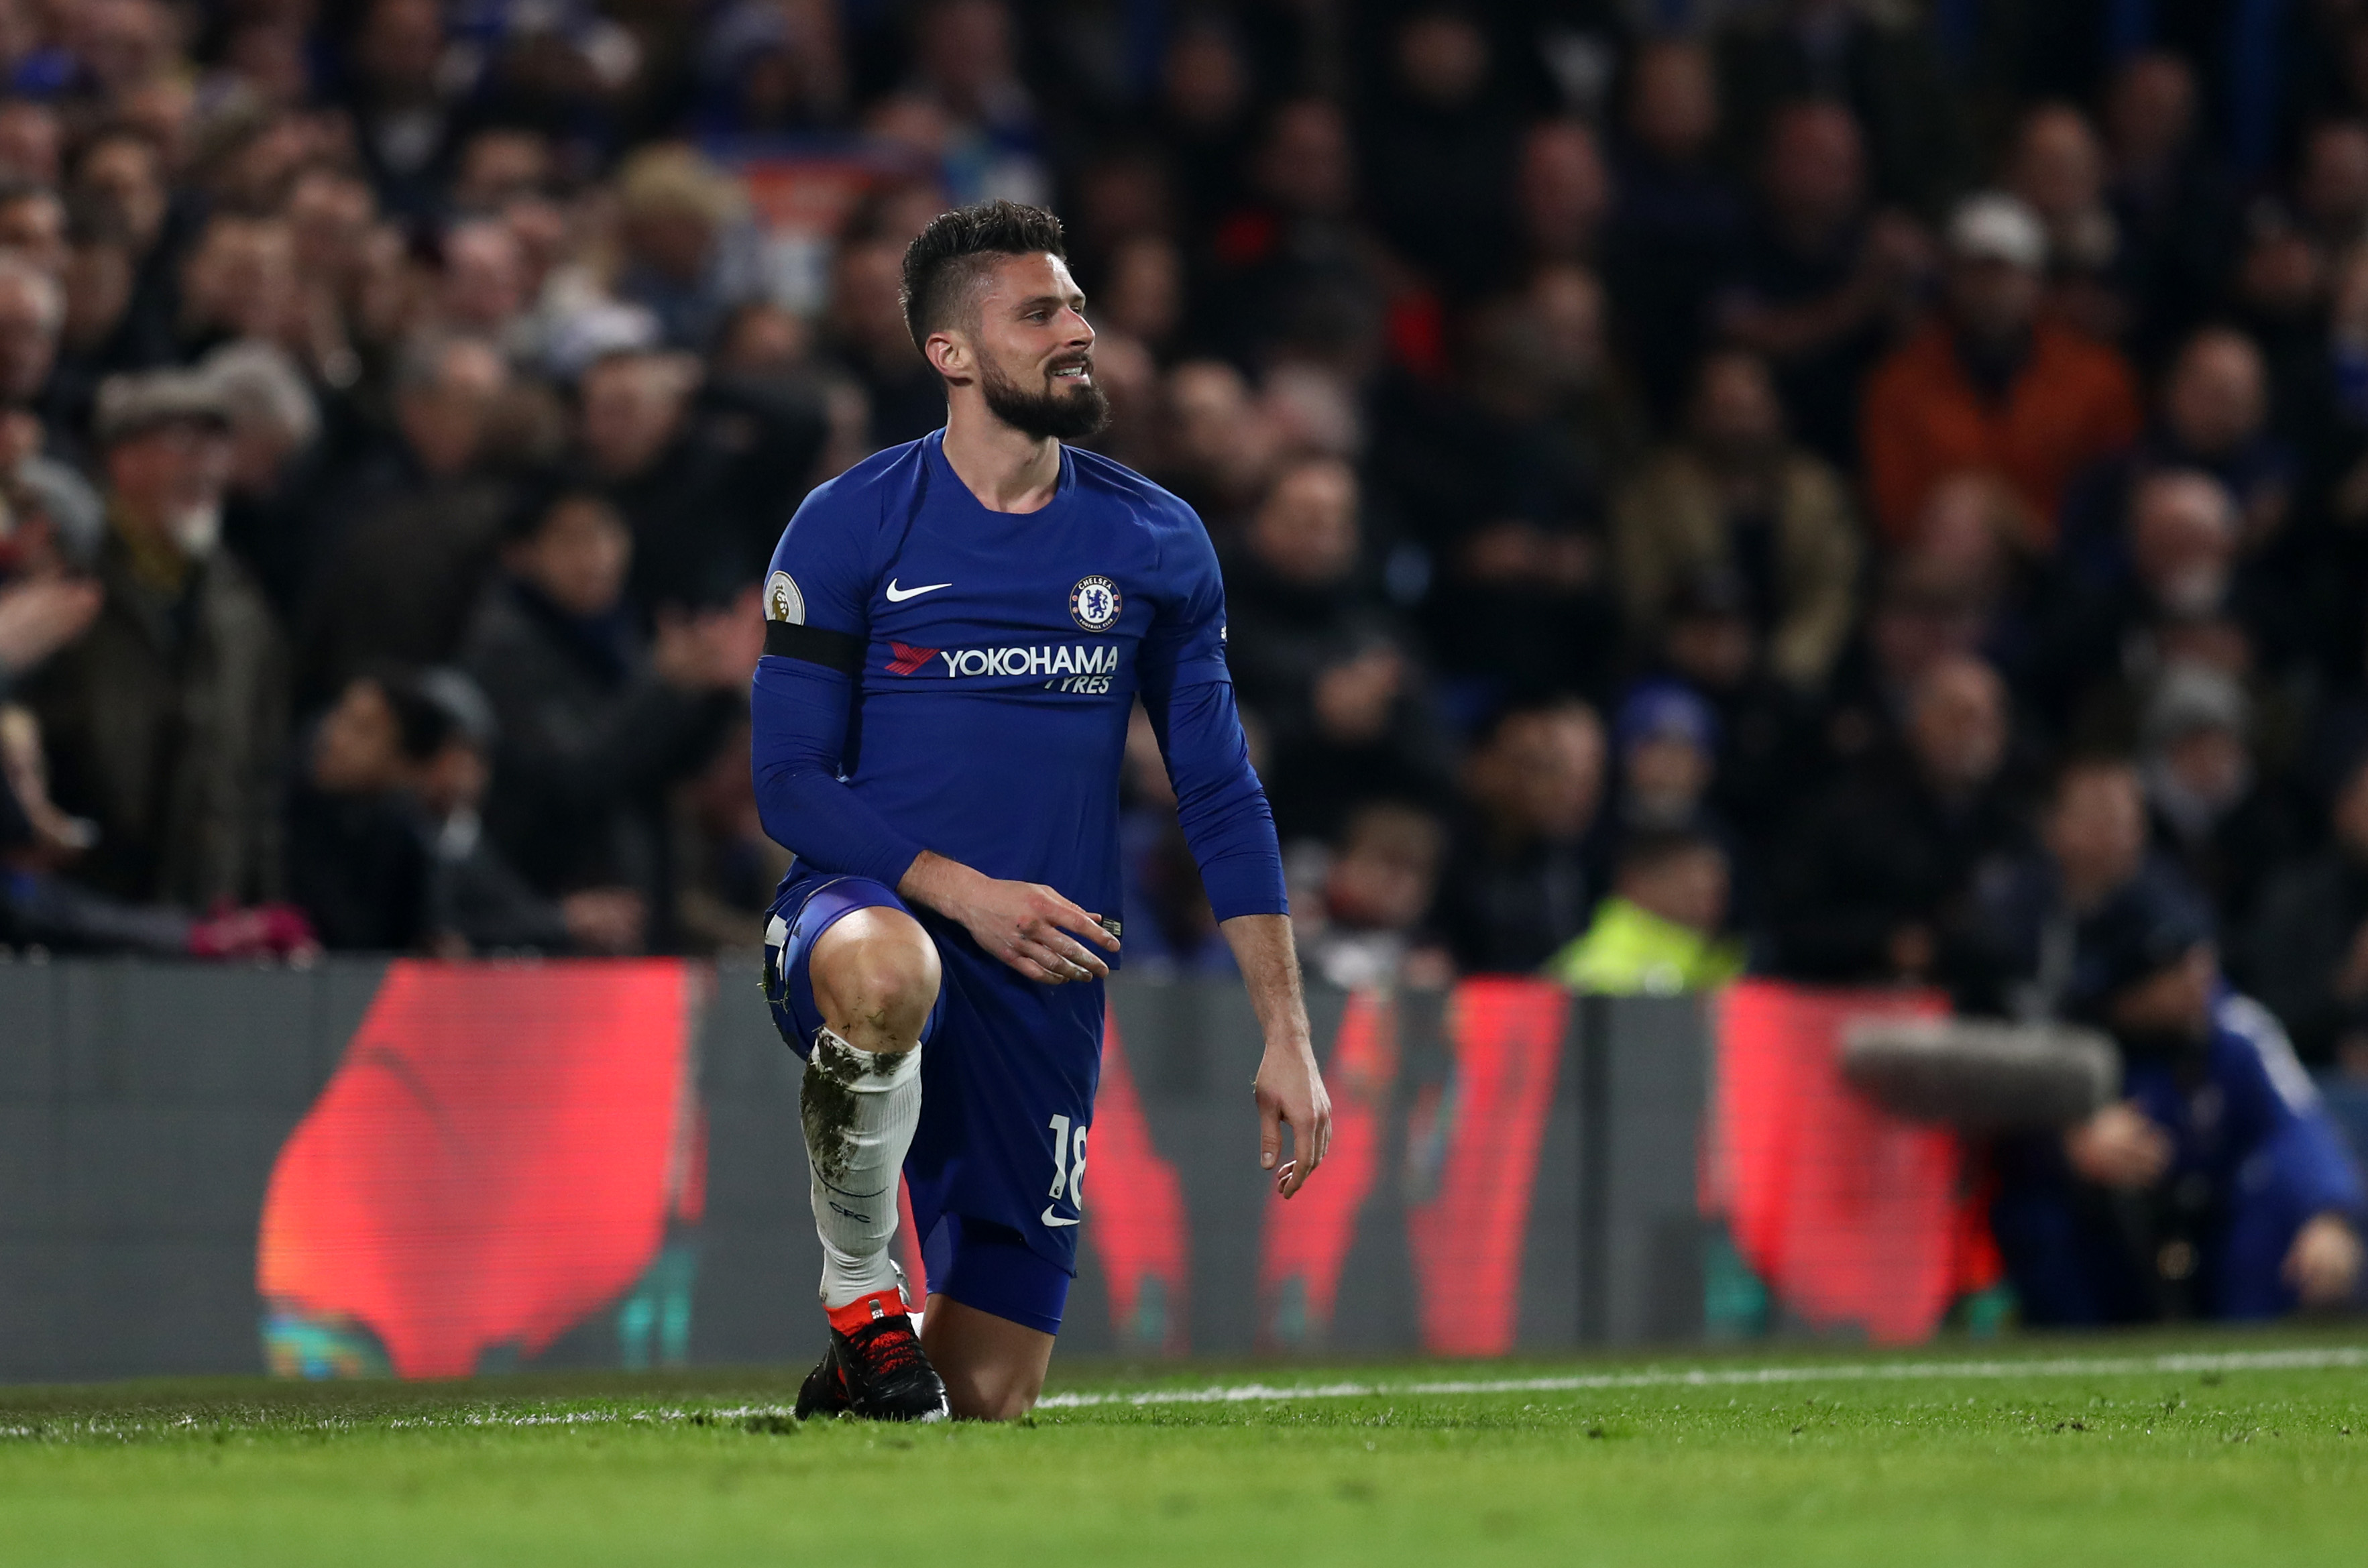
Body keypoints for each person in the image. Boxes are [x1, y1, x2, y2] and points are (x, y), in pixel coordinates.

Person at [749, 201, 1328, 1421]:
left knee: (981, 1398)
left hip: (1048, 977)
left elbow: (1217, 787)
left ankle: (860, 1384)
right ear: (950, 353)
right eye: (1039, 311)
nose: (1078, 328)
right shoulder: (850, 521)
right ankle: (861, 1293)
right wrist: (963, 890)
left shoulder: (1154, 538)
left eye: (1074, 304)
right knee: (890, 972)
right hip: (866, 912)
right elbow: (788, 784)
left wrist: (1287, 1028)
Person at [1982, 760, 2366, 1323]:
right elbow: (2006, 1136)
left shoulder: (2232, 1028)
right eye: (2171, 966)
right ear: (2123, 988)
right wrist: (2068, 1144)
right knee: (2038, 1217)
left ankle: (2249, 1352)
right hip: (2114, 1237)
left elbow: (2296, 1123)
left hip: (2212, 1222)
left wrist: (2329, 1212)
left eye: (2196, 957)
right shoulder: (2074, 1039)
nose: (2196, 978)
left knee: (2279, 1190)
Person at [1546, 829, 1742, 997]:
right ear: (1636, 883)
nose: (1706, 891)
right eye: (1688, 883)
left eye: (1715, 886)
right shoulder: (1596, 972)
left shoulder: (1729, 964)